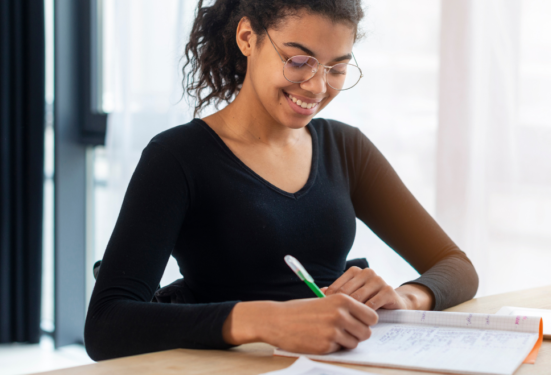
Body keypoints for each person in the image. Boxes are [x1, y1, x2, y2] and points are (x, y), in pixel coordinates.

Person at [84, 0, 478, 361]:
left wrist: (405, 298)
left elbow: (456, 266)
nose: (317, 86)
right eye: (298, 60)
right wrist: (267, 321)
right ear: (247, 38)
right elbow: (106, 325)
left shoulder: (346, 148)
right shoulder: (177, 157)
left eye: (336, 68)